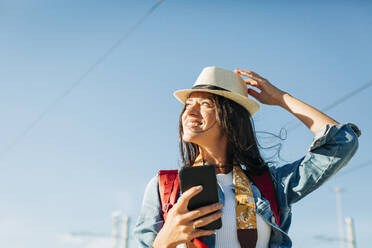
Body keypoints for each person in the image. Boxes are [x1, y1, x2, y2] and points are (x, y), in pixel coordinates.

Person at [133, 66, 360, 248]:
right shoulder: (164, 187)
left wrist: (281, 98)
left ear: (230, 118)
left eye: (205, 104)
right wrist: (164, 242)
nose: (190, 112)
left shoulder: (271, 185)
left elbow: (342, 144)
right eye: (188, 104)